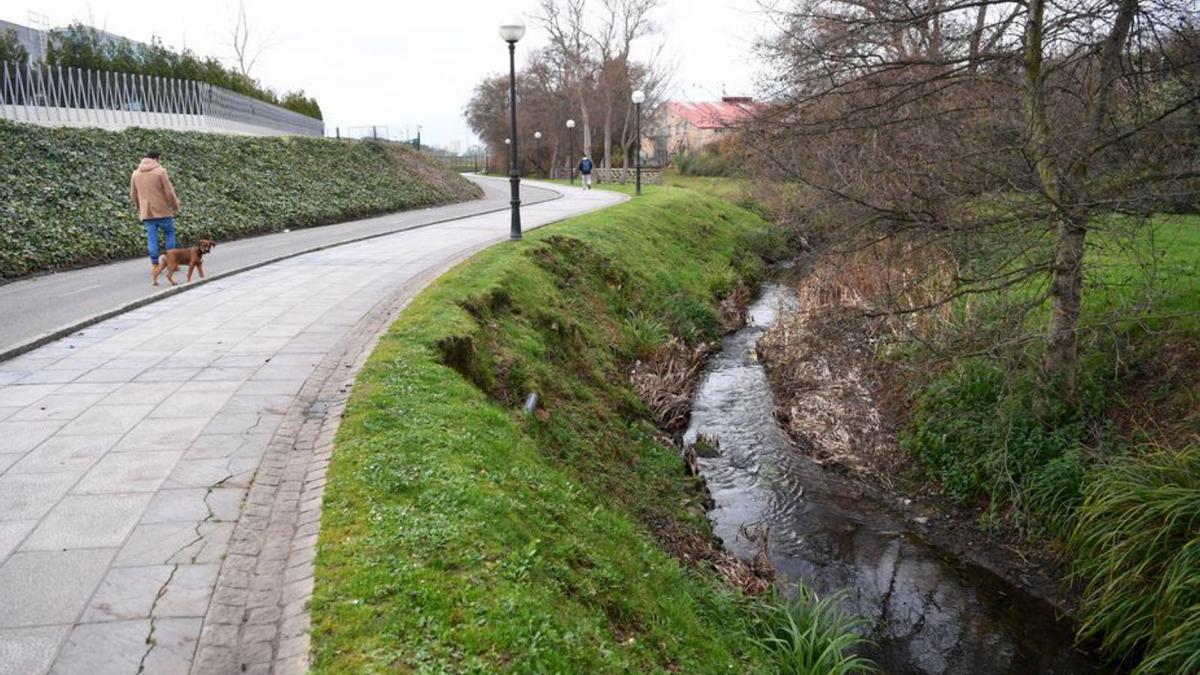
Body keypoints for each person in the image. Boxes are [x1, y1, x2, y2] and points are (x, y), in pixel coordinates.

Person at [130, 151, 181, 283]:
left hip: (146, 212)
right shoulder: (160, 171)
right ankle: (171, 262)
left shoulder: (135, 173)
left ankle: (154, 264)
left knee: (151, 238)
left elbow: (133, 194)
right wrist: (174, 206)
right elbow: (169, 192)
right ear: (156, 158)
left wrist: (139, 208)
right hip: (162, 209)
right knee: (169, 234)